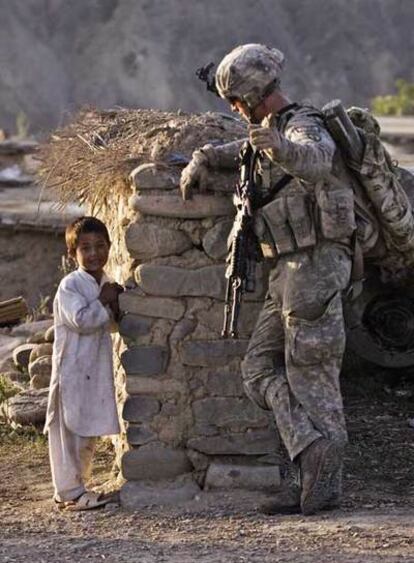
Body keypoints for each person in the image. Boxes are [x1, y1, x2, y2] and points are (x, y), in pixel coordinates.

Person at [180, 44, 357, 515]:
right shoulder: (268, 131)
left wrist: (281, 149)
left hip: (315, 267)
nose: (236, 111)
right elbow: (246, 150)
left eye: (237, 103)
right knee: (257, 369)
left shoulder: (301, 126)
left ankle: (320, 490)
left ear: (253, 96)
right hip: (288, 270)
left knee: (313, 377)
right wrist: (206, 156)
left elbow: (317, 159)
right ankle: (308, 451)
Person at [44, 216, 123, 511]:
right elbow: (82, 320)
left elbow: (111, 326)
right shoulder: (70, 286)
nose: (94, 254)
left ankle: (78, 488)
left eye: (100, 246)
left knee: (85, 431)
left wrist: (115, 304)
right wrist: (104, 301)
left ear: (110, 247)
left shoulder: (103, 282)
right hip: (72, 371)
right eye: (86, 248)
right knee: (68, 433)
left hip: (93, 369)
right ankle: (68, 492)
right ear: (72, 254)